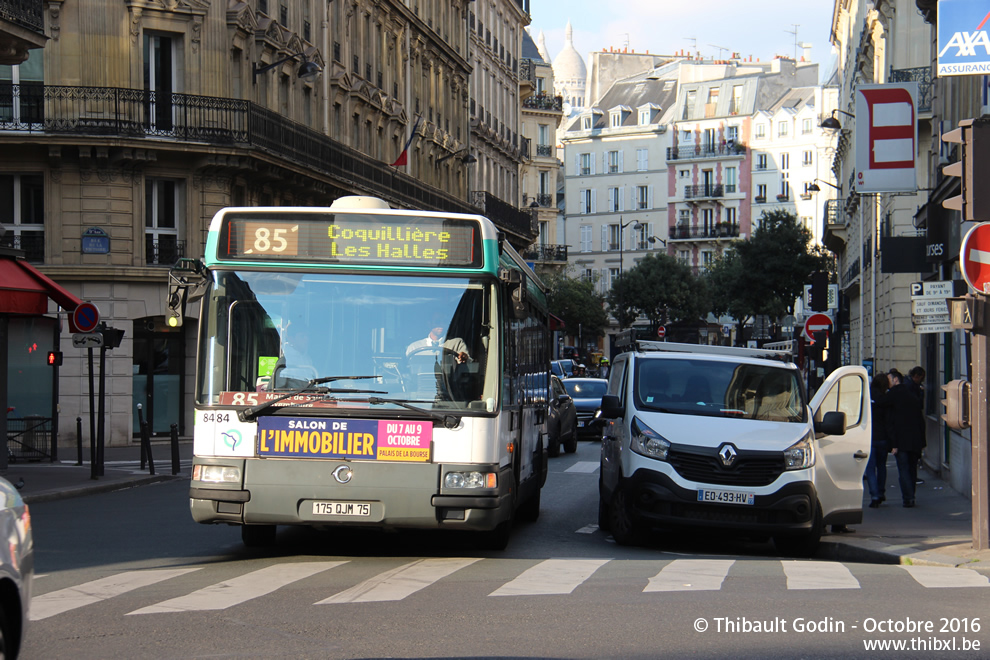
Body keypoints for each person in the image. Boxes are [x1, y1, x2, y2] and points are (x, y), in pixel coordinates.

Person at [877, 369, 926, 508]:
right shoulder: (912, 394)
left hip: (900, 440)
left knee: (903, 469)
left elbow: (887, 415)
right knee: (912, 469)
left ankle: (908, 497)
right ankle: (911, 496)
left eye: (888, 380)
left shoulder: (893, 395)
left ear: (895, 380)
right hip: (915, 439)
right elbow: (920, 419)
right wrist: (922, 440)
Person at [865, 374, 892, 508]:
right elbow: (889, 421)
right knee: (882, 466)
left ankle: (874, 494)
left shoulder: (867, 398)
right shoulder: (886, 399)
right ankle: (881, 492)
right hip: (883, 437)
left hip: (869, 437)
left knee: (870, 468)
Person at [405, 314, 470, 364]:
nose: (441, 324)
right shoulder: (414, 347)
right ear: (429, 324)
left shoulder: (456, 343)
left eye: (444, 321)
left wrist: (464, 358)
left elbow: (468, 364)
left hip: (448, 381)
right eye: (437, 321)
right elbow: (407, 369)